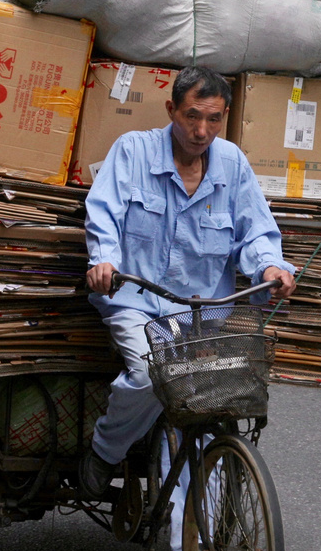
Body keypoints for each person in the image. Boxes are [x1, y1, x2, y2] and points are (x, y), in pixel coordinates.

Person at [81, 66, 297, 505]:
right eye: (192, 116)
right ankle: (105, 450)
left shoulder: (233, 163)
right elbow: (104, 211)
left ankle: (200, 525)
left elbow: (255, 230)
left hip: (203, 314)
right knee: (148, 375)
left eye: (214, 119)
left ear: (225, 117)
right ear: (171, 110)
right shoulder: (133, 151)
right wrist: (104, 261)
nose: (202, 130)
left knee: (211, 401)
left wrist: (270, 268)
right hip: (136, 303)